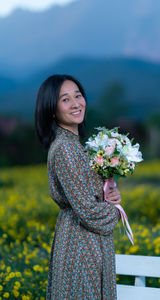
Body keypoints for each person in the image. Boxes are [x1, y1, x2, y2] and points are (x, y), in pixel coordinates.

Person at [34, 74, 122, 299]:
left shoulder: (74, 145)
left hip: (85, 241)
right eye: (65, 99)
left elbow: (89, 198)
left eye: (78, 96)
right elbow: (88, 211)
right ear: (52, 110)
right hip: (80, 246)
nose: (76, 104)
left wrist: (109, 194)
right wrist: (115, 211)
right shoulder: (65, 148)